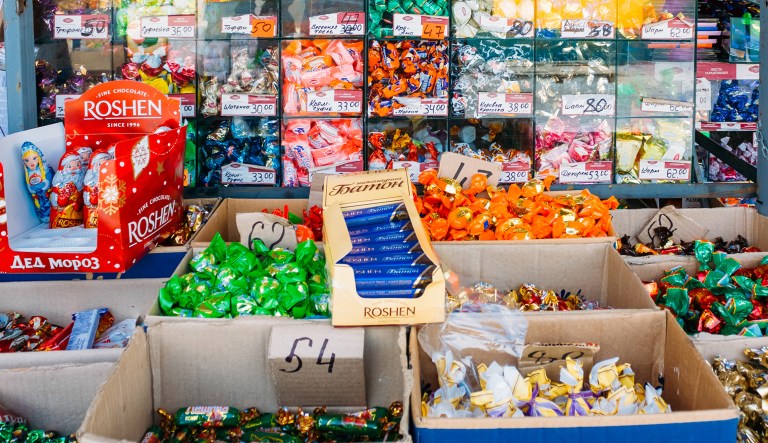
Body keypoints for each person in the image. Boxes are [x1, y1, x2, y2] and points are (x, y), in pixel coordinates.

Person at [21, 141, 54, 223]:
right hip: (38, 197)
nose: (31, 163)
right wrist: (33, 189)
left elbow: (49, 180)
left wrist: (44, 185)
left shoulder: (45, 170)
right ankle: (44, 217)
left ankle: (52, 215)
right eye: (27, 160)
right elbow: (29, 187)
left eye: (34, 158)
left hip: (47, 194)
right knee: (40, 205)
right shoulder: (28, 174)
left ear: (39, 158)